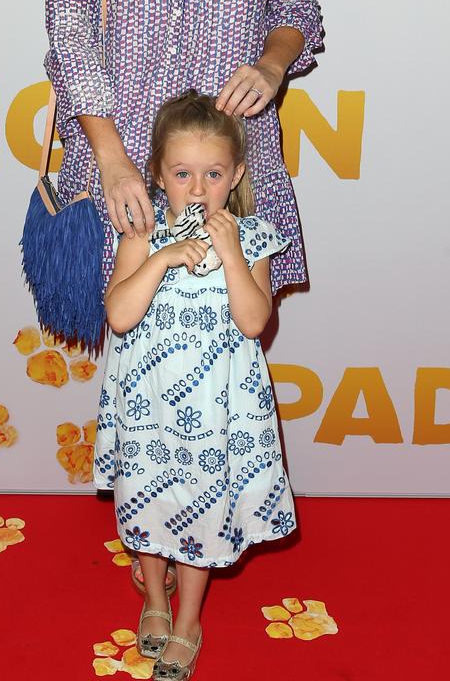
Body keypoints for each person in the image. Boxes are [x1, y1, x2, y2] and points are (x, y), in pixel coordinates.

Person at [43, 0, 322, 608]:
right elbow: (70, 28)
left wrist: (276, 66)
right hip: (128, 170)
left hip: (227, 174)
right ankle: (150, 558)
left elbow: (295, 13)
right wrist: (114, 156)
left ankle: (195, 549)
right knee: (139, 369)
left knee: (217, 366)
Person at [95, 90, 296, 679]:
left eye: (213, 174)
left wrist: (232, 254)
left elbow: (255, 322)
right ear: (159, 173)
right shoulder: (141, 232)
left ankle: (187, 619)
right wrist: (158, 260)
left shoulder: (253, 237)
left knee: (202, 516)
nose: (199, 188)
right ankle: (154, 600)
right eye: (183, 174)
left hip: (217, 411)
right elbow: (120, 315)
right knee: (148, 503)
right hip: (148, 407)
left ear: (235, 175)